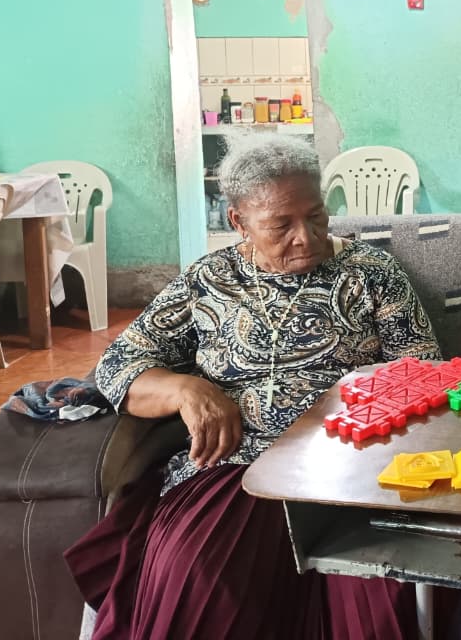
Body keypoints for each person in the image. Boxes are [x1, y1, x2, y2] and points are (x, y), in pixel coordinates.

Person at [64, 134, 441, 640]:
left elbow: (424, 376)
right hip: (235, 468)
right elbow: (119, 363)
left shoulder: (373, 275)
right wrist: (185, 390)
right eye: (281, 225)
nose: (305, 237)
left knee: (375, 607)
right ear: (238, 222)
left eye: (316, 216)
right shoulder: (208, 281)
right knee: (199, 580)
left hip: (351, 474)